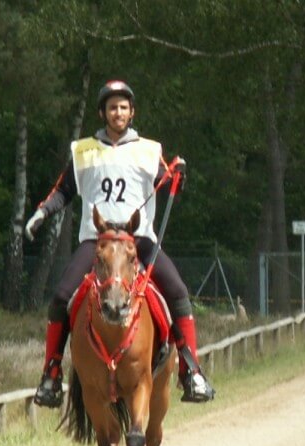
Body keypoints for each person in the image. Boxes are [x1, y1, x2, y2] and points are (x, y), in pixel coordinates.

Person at [25, 79, 215, 407]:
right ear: (103, 112)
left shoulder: (147, 149)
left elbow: (167, 184)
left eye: (124, 107)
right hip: (97, 241)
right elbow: (63, 190)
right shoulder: (83, 150)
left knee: (178, 291)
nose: (118, 112)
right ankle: (51, 374)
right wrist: (41, 213)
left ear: (132, 112)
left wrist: (178, 176)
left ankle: (190, 370)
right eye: (112, 107)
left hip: (138, 240)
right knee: (60, 296)